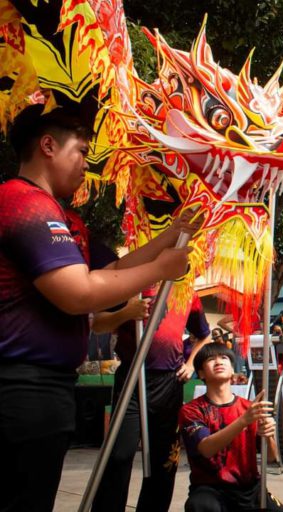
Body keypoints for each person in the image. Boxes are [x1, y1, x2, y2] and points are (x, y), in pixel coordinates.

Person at [0, 106, 192, 511]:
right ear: (48, 146)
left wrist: (173, 235)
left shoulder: (64, 217)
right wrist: (161, 268)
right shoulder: (22, 202)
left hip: (47, 389)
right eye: (82, 152)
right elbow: (78, 292)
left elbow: (113, 270)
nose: (87, 164)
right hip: (21, 387)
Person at [92, 287, 212, 512]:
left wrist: (190, 364)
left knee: (164, 462)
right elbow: (98, 324)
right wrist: (127, 312)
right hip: (132, 378)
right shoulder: (132, 284)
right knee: (118, 455)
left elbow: (205, 335)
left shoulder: (186, 292)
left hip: (169, 382)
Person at [179, 343, 283, 511]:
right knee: (201, 506)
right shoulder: (191, 410)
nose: (218, 362)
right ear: (200, 373)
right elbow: (206, 449)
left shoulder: (249, 408)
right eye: (211, 359)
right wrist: (243, 421)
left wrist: (268, 434)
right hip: (211, 489)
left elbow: (271, 458)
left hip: (250, 489)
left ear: (232, 371)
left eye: (224, 358)